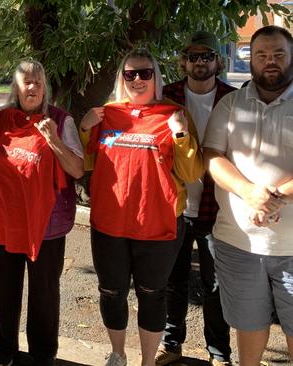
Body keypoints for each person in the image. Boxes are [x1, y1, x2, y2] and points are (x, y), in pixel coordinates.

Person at [80, 48, 204, 366]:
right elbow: (84, 163)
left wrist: (179, 134)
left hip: (158, 222)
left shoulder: (173, 113)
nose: (137, 79)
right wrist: (84, 128)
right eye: (130, 73)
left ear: (155, 76)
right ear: (122, 77)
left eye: (145, 73)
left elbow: (192, 173)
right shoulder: (107, 113)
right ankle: (118, 353)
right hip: (110, 222)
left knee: (152, 293)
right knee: (111, 291)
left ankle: (148, 361)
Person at [0, 60, 84, 366]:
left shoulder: (61, 120)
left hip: (46, 226)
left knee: (44, 294)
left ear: (46, 87)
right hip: (5, 222)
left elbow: (77, 169)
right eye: (26, 81)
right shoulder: (1, 118)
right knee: (6, 290)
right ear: (16, 87)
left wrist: (52, 139)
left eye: (38, 82)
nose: (32, 87)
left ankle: (42, 355)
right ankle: (6, 350)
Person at [203, 25, 293, 366]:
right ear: (250, 59)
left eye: (279, 54)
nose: (270, 61)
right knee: (248, 326)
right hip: (237, 244)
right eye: (261, 55)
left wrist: (274, 198)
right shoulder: (230, 104)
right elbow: (212, 156)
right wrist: (248, 193)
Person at [156, 31, 236, 366]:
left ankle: (219, 353)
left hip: (218, 208)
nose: (200, 62)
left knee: (215, 283)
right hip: (175, 205)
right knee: (172, 280)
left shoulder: (233, 99)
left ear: (219, 61)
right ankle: (171, 343)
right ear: (183, 61)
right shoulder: (166, 97)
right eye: (193, 56)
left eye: (207, 56)